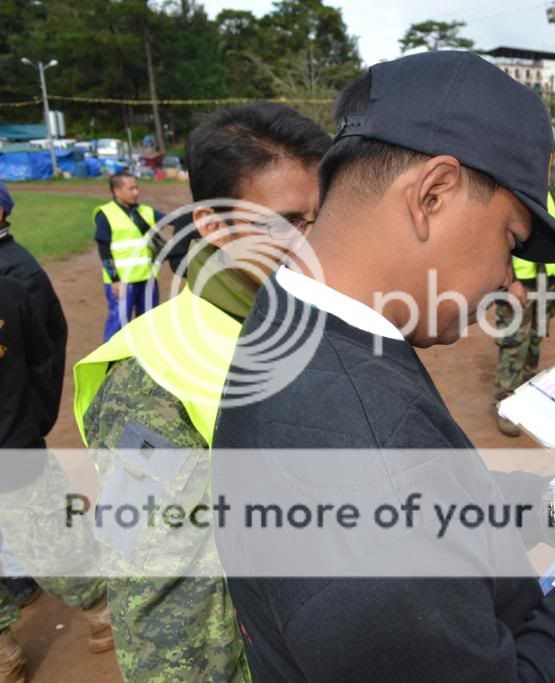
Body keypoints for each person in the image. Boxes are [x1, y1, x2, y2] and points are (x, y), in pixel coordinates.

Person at [212, 52, 555, 682]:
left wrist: (548, 505)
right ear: (432, 195)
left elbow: (424, 510)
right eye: (510, 241)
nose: (508, 282)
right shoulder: (359, 454)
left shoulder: (298, 325)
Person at [73, 103, 330, 682]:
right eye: (285, 223)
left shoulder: (304, 317)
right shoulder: (150, 380)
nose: (313, 247)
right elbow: (162, 611)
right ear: (215, 226)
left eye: (319, 219)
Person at [0, 182, 113, 683]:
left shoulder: (13, 283)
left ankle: (100, 614)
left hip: (13, 445)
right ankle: (6, 651)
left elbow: (45, 360)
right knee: (50, 535)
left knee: (51, 536)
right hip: (16, 438)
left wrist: (31, 424)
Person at [493, 195, 555, 437]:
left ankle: (525, 396)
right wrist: (511, 280)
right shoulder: (514, 180)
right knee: (514, 342)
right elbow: (497, 232)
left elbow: (551, 228)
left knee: (536, 337)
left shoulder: (549, 186)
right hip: (518, 283)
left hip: (545, 279)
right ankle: (505, 405)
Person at [94, 172, 164, 341]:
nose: (136, 192)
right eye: (131, 188)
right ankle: (110, 363)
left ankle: (143, 360)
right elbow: (104, 251)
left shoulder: (145, 211)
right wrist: (115, 279)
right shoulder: (105, 214)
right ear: (117, 191)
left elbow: (173, 219)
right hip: (123, 282)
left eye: (137, 187)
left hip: (148, 278)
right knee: (118, 325)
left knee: (147, 324)